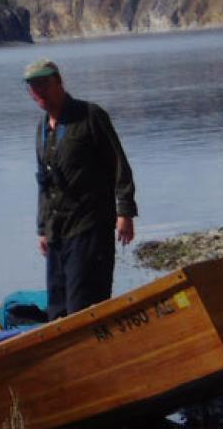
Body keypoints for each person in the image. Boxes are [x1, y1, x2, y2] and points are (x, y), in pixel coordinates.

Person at [24, 59, 138, 320]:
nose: (39, 91)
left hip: (89, 228)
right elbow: (44, 184)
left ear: (59, 82)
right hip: (56, 234)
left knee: (84, 308)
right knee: (57, 313)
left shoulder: (90, 116)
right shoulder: (42, 129)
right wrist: (42, 229)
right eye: (33, 87)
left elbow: (119, 165)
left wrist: (125, 213)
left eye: (44, 84)